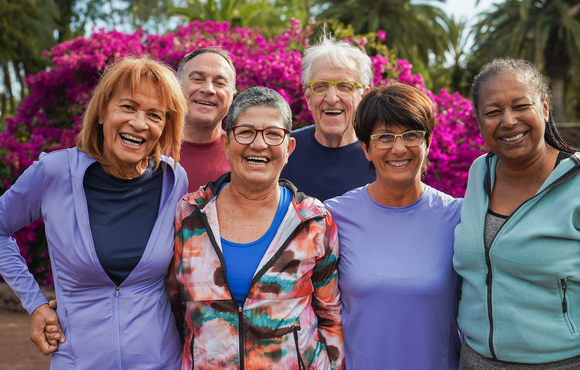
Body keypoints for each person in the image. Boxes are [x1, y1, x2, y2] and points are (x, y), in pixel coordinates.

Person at [0, 57, 188, 369]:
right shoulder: (54, 172)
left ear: (165, 126)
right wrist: (35, 305)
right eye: (128, 107)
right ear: (101, 112)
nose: (140, 123)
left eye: (154, 115)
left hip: (161, 361)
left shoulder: (173, 179)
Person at [166, 86, 344, 369]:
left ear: (289, 148)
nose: (259, 145)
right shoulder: (189, 215)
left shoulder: (313, 220)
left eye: (273, 134)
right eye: (246, 132)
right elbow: (170, 306)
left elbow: (331, 318)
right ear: (226, 143)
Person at [325, 83, 463, 369]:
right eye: (384, 137)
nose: (399, 148)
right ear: (365, 148)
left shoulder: (457, 216)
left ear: (427, 143)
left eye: (411, 135)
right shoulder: (334, 216)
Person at [453, 58, 580, 369]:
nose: (508, 121)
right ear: (480, 121)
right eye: (493, 112)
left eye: (520, 106)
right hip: (475, 360)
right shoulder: (479, 172)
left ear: (546, 107)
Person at [280, 33, 375, 201]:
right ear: (308, 97)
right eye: (320, 86)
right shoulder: (283, 151)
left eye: (345, 86)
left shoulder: (381, 156)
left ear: (363, 97)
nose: (331, 98)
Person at [177, 47, 235, 192]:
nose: (208, 89)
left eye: (220, 83)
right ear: (177, 87)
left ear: (232, 97)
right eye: (197, 79)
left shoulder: (240, 157)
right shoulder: (150, 147)